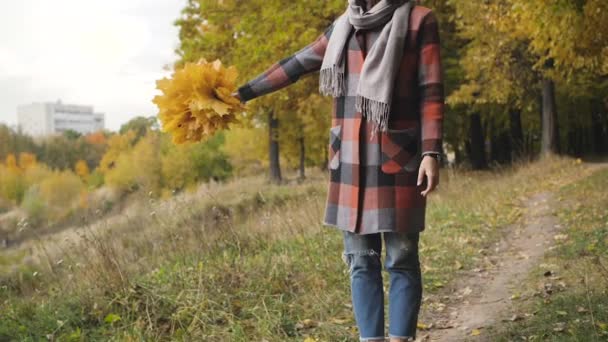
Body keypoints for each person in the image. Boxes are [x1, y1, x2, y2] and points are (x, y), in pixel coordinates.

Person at [234, 0, 444, 340]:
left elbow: (431, 93)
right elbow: (296, 64)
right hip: (349, 164)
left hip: (398, 160)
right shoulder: (343, 26)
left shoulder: (420, 21)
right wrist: (243, 94)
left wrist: (431, 151)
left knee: (402, 259)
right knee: (361, 262)